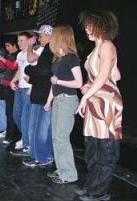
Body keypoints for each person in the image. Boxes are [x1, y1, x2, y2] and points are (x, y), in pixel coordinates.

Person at [76, 11, 122, 201]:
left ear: (102, 26)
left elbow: (104, 76)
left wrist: (85, 96)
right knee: (93, 148)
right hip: (96, 101)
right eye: (86, 25)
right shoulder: (96, 50)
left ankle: (100, 191)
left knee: (105, 148)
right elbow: (116, 75)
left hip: (105, 103)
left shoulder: (107, 45)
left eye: (90, 25)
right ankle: (93, 185)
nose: (86, 28)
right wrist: (87, 86)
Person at [45, 25, 83, 184]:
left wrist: (58, 81)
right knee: (56, 137)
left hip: (68, 100)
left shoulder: (72, 58)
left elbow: (79, 82)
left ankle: (69, 175)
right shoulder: (58, 58)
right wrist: (49, 100)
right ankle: (61, 170)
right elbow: (54, 84)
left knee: (61, 137)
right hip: (59, 99)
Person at [21, 25, 54, 168]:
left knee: (38, 128)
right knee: (42, 128)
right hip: (43, 94)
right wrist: (33, 78)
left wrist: (28, 69)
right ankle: (44, 155)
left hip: (42, 96)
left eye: (40, 35)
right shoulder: (49, 51)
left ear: (48, 36)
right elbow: (45, 75)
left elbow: (43, 72)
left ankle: (40, 157)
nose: (39, 38)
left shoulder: (48, 52)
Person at [9, 32, 42, 155]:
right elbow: (20, 69)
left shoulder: (35, 54)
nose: (19, 43)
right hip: (20, 88)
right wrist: (13, 81)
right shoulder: (19, 55)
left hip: (29, 88)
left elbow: (38, 71)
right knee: (16, 115)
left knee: (25, 117)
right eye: (18, 41)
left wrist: (32, 87)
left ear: (30, 41)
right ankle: (25, 137)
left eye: (22, 40)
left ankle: (27, 144)